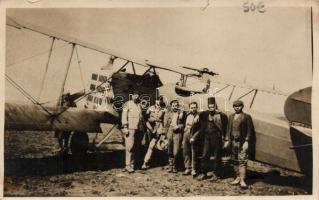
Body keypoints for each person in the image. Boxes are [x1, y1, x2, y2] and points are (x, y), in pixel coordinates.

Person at [224, 100, 254, 188]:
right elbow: (228, 129)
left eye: (239, 106)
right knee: (234, 160)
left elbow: (249, 131)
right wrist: (227, 140)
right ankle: (237, 178)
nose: (237, 107)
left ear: (242, 106)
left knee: (242, 160)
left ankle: (242, 180)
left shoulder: (247, 117)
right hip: (233, 142)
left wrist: (247, 141)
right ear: (233, 107)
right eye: (235, 106)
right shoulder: (231, 116)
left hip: (242, 142)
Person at [197, 97, 228, 181]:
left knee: (217, 156)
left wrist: (225, 139)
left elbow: (225, 128)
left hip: (216, 137)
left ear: (215, 106)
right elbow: (200, 114)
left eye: (212, 107)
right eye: (209, 107)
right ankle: (204, 173)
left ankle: (216, 174)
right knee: (205, 155)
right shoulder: (206, 113)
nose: (211, 108)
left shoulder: (221, 115)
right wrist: (197, 116)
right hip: (207, 137)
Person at [121, 91, 143, 173]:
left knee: (135, 147)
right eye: (134, 95)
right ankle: (127, 165)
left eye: (137, 95)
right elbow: (124, 116)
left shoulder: (139, 105)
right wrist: (125, 127)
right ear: (132, 96)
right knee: (129, 147)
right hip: (130, 128)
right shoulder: (127, 104)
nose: (136, 97)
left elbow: (141, 117)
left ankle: (132, 165)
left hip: (138, 129)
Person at [141, 98, 166, 170]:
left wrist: (163, 131)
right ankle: (148, 160)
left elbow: (165, 120)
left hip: (158, 128)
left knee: (151, 145)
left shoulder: (163, 110)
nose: (158, 103)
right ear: (155, 101)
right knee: (147, 144)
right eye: (157, 101)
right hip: (149, 128)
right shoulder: (150, 108)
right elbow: (145, 118)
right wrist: (149, 122)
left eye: (159, 101)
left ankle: (145, 162)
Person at [163, 99, 185, 173]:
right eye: (173, 106)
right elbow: (165, 125)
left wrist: (179, 127)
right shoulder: (167, 113)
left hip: (178, 133)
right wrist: (165, 136)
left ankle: (175, 165)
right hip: (169, 132)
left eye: (176, 105)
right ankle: (170, 166)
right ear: (171, 106)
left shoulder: (181, 113)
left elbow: (184, 124)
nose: (175, 107)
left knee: (176, 151)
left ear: (178, 106)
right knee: (169, 150)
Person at [182, 102, 201, 177]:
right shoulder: (187, 115)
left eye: (194, 107)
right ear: (189, 108)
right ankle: (187, 168)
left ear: (197, 108)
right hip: (186, 133)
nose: (193, 109)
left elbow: (200, 129)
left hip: (194, 135)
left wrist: (194, 137)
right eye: (191, 107)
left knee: (194, 153)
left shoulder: (199, 115)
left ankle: (194, 169)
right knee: (185, 151)